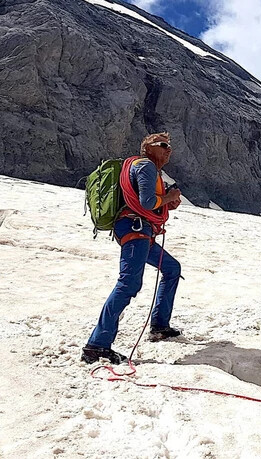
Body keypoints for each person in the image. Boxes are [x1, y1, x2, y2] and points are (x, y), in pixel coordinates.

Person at [82, 132, 184, 364]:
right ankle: (97, 345)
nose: (168, 149)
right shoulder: (146, 166)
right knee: (128, 283)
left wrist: (167, 201)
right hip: (136, 228)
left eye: (169, 146)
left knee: (172, 268)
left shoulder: (144, 167)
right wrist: (169, 198)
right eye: (163, 145)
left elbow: (147, 202)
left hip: (138, 230)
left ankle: (160, 325)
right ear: (148, 148)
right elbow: (147, 203)